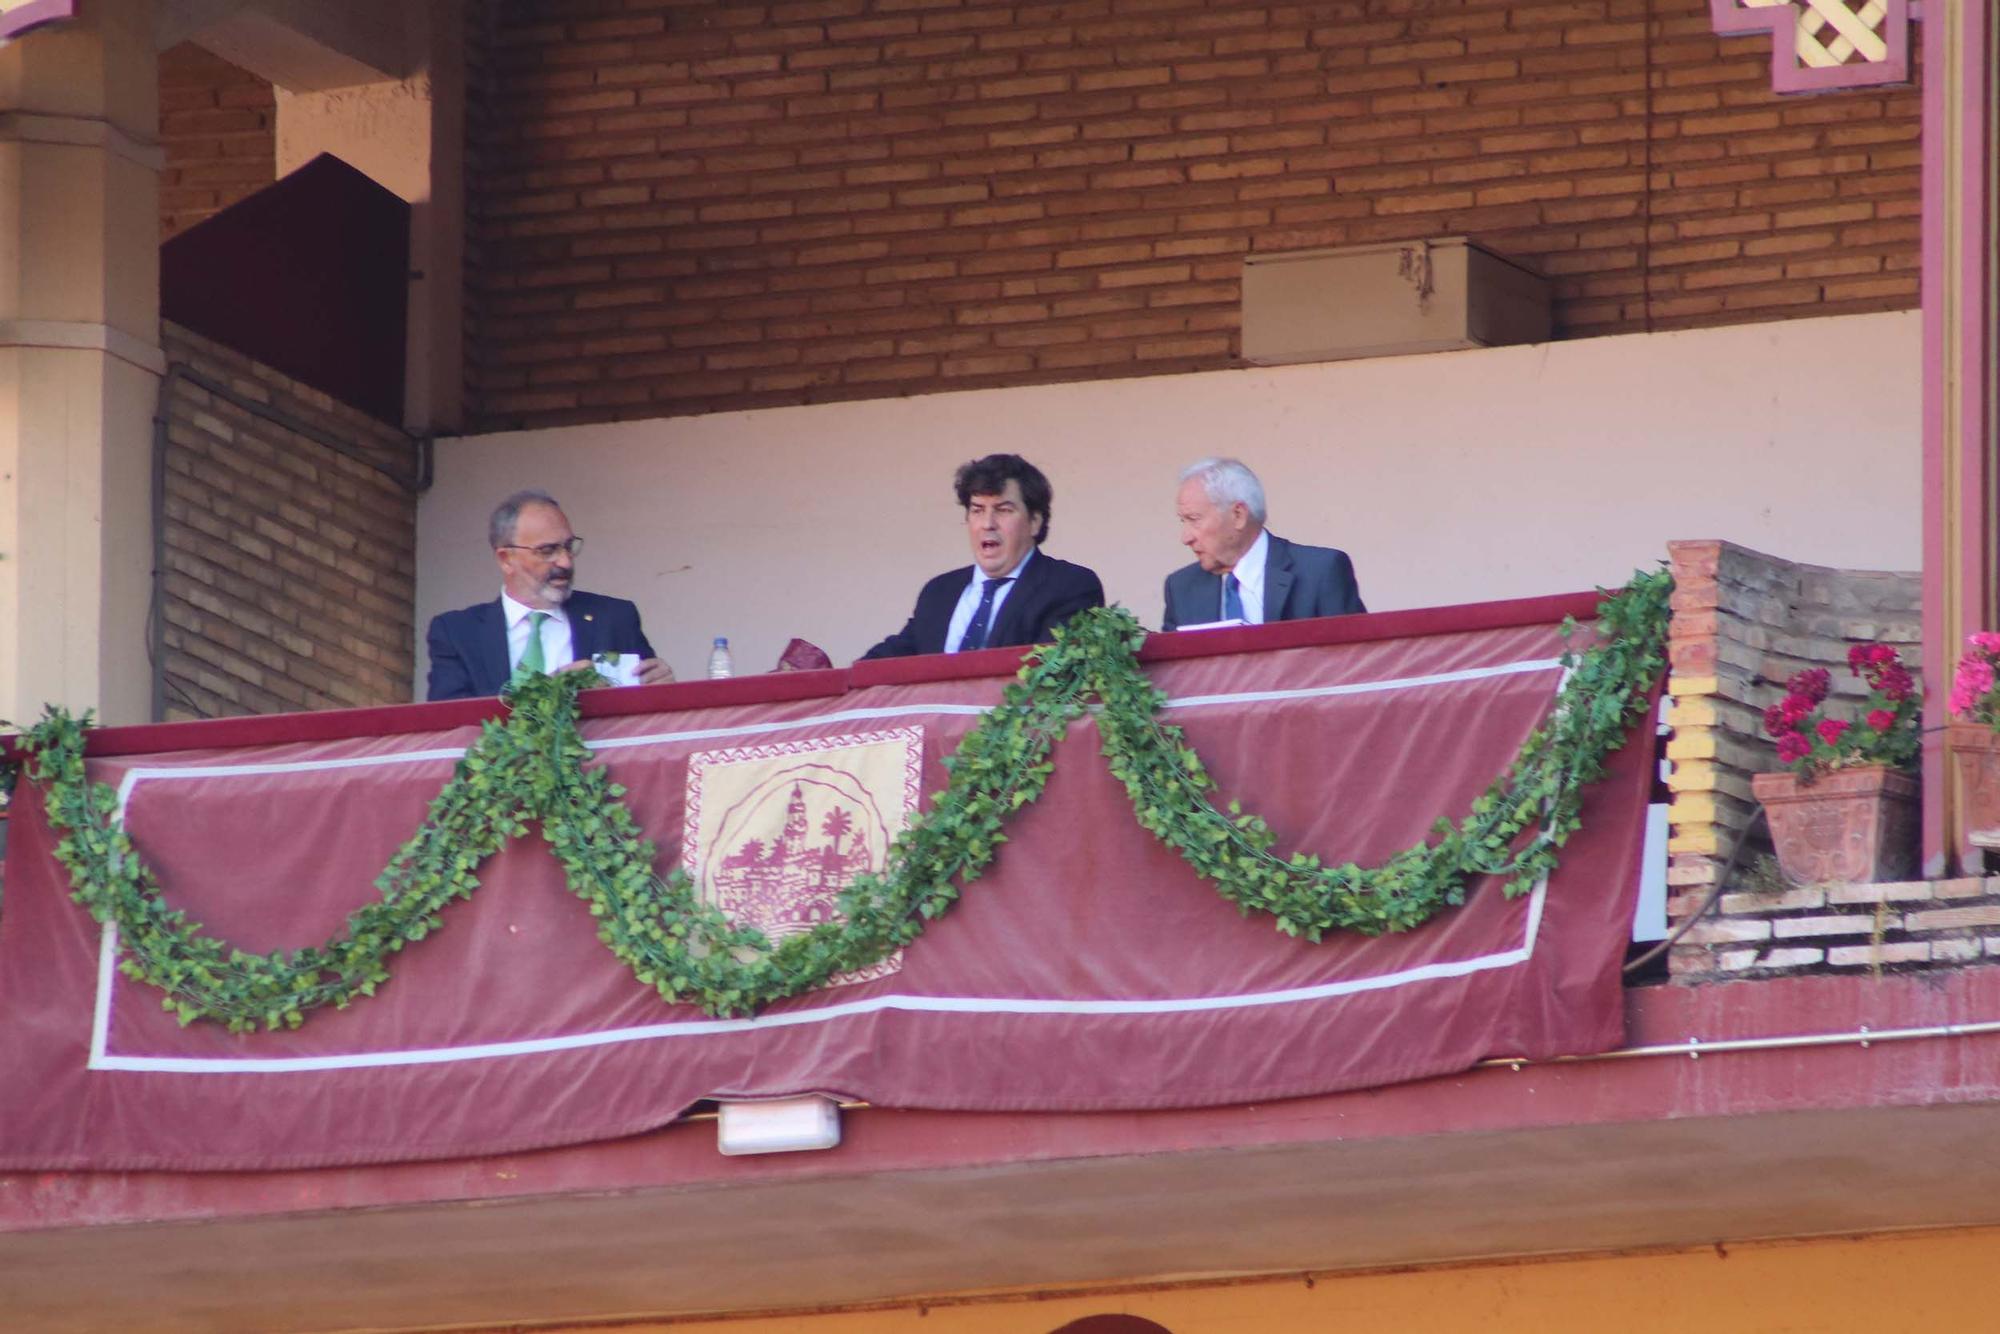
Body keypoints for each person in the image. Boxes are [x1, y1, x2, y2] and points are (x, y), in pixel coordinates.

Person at [426, 489, 675, 701]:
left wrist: (663, 692)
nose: (565, 562)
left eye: (568, 547)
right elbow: (451, 726)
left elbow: (647, 720)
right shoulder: (457, 633)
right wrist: (551, 691)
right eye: (547, 550)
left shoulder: (614, 618)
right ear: (506, 559)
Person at [861, 454, 1104, 660]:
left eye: (1003, 510)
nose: (988, 524)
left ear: (1035, 522)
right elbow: (887, 663)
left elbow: (1051, 677)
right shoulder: (938, 593)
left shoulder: (1069, 586)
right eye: (977, 510)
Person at [1162, 457, 1365, 631]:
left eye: (1194, 519)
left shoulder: (1321, 572)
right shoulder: (1181, 588)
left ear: (1238, 515)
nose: (1186, 537)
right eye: (1183, 521)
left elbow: (1355, 661)